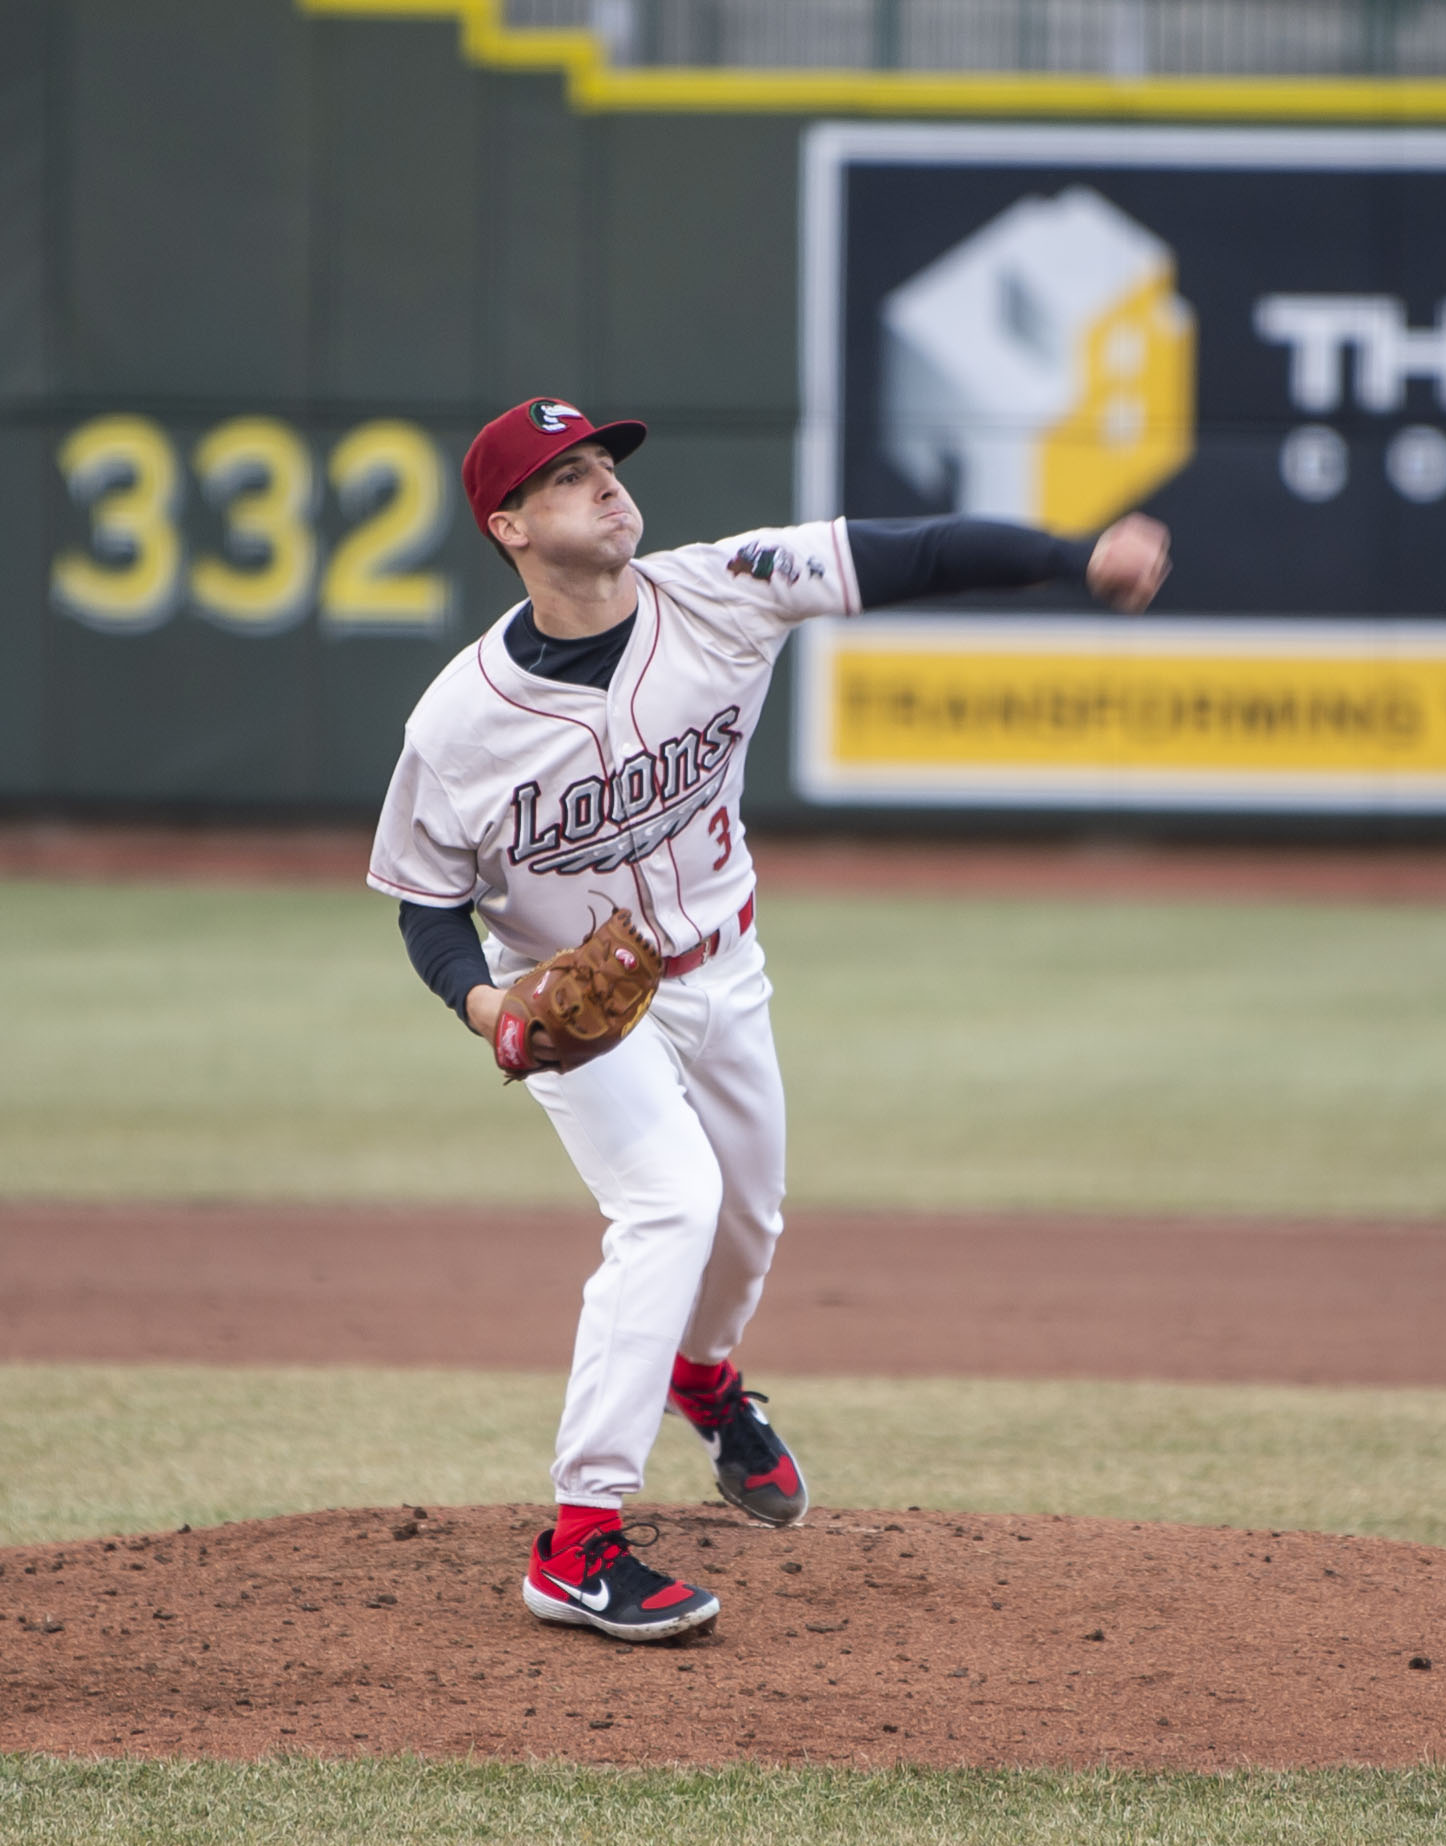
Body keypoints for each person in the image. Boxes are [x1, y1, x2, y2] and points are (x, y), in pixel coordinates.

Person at [367, 397, 1169, 1642]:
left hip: (724, 968)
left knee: (747, 1220)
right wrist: (489, 1007)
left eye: (606, 466)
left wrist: (1074, 559)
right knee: (670, 1204)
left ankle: (705, 1379)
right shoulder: (458, 721)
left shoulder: (721, 587)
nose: (606, 488)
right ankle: (580, 1543)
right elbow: (425, 906)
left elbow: (906, 553)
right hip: (583, 1011)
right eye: (567, 476)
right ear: (508, 523)